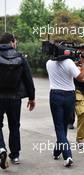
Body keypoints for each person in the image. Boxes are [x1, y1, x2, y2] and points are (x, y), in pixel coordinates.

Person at [46, 48, 84, 167]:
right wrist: (83, 64)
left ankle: (58, 152)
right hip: (69, 96)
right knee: (63, 126)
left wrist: (74, 64)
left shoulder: (48, 63)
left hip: (55, 95)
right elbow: (82, 78)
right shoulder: (69, 63)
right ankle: (67, 155)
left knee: (60, 127)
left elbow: (61, 64)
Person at [0, 33, 35, 169]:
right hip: (15, 98)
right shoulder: (20, 57)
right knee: (14, 126)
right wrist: (31, 98)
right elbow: (28, 79)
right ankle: (15, 155)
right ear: (12, 42)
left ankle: (1, 148)